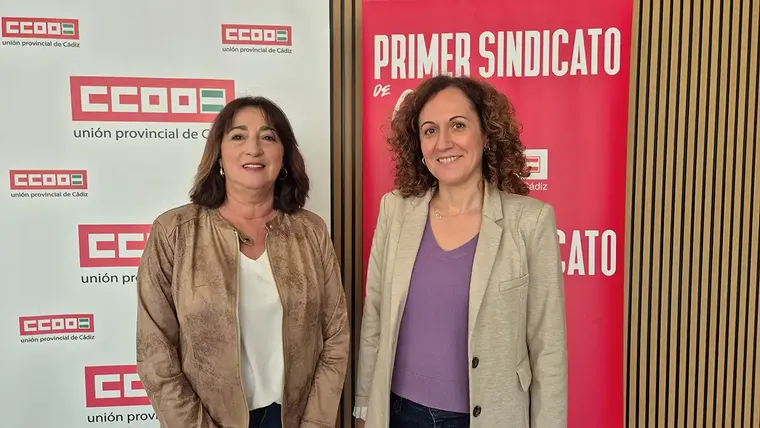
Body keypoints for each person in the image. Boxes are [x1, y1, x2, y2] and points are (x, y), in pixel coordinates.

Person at [354, 75, 568, 428]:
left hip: (491, 416)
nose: (443, 142)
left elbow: (548, 349)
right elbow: (374, 320)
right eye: (430, 130)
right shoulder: (395, 210)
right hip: (399, 413)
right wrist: (364, 407)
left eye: (458, 125)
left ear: (485, 134)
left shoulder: (530, 222)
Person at [135, 96, 350, 428]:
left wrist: (316, 423)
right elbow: (155, 351)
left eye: (268, 137)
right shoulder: (174, 232)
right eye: (238, 136)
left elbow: (336, 336)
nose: (253, 149)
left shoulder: (311, 231)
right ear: (219, 154)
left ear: (284, 156)